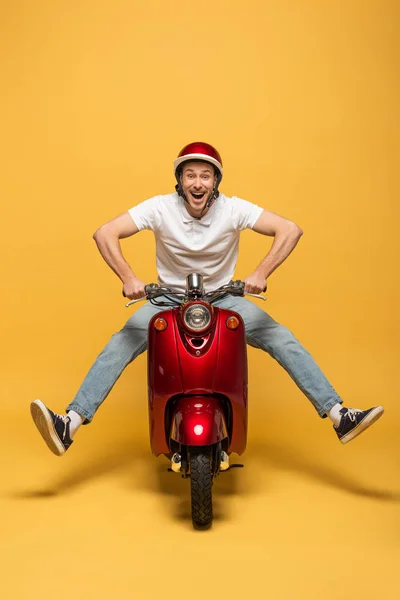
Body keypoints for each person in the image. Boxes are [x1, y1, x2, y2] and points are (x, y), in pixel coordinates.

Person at [30, 141, 384, 467]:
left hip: (223, 299)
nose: (197, 182)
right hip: (166, 299)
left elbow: (289, 229)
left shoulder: (234, 209)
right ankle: (69, 425)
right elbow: (104, 233)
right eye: (190, 175)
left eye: (205, 175)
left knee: (280, 337)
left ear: (215, 182)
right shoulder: (158, 207)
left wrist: (260, 272)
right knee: (120, 343)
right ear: (179, 181)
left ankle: (339, 416)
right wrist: (128, 278)